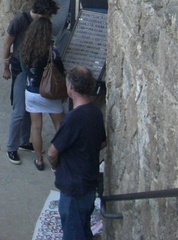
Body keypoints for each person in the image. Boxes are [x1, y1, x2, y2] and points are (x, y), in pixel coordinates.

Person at [48, 67, 106, 240]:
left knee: (73, 233)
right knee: (83, 229)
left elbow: (52, 153)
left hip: (73, 186)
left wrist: (55, 167)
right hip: (89, 182)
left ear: (71, 87)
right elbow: (102, 142)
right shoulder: (95, 112)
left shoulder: (73, 118)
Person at [3, 0, 59, 165]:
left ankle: (24, 140)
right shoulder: (20, 20)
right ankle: (12, 147)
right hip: (21, 70)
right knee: (19, 110)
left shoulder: (40, 25)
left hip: (31, 70)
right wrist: (5, 67)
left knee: (29, 109)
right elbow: (7, 44)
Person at [21, 16, 66, 171]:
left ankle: (39, 160)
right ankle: (58, 157)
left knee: (36, 127)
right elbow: (60, 71)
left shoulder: (26, 50)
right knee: (60, 126)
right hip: (50, 92)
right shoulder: (52, 53)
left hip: (32, 92)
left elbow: (25, 70)